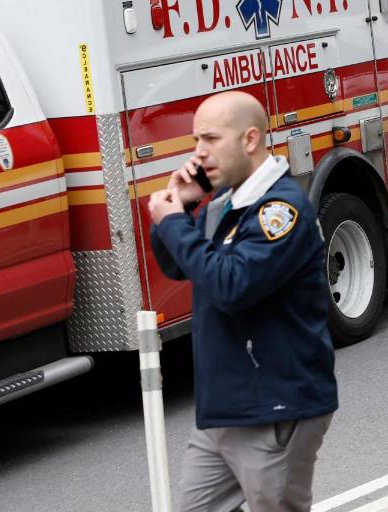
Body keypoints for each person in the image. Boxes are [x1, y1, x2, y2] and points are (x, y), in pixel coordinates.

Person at [147, 91, 338, 512]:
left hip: (274, 407)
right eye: (196, 140)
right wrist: (180, 209)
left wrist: (176, 223)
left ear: (250, 139)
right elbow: (183, 267)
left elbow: (232, 286)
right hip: (227, 407)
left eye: (211, 139)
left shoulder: (280, 210)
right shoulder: (225, 201)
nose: (199, 153)